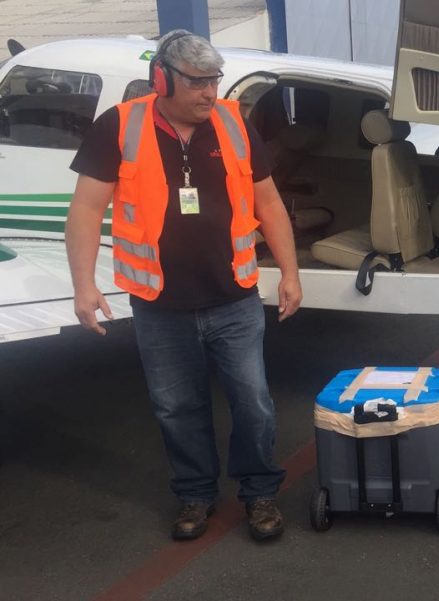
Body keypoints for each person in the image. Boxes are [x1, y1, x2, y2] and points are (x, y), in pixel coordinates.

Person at [65, 30, 303, 542]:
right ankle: (195, 493)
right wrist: (83, 284)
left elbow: (268, 202)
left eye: (214, 80)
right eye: (197, 82)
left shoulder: (235, 124)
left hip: (234, 297)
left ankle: (259, 492)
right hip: (160, 305)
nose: (209, 92)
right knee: (177, 408)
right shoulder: (119, 127)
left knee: (254, 403)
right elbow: (85, 208)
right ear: (162, 79)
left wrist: (290, 272)